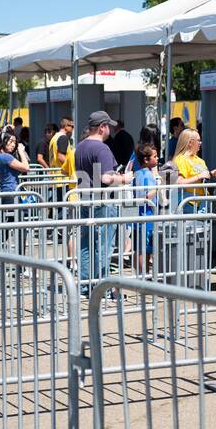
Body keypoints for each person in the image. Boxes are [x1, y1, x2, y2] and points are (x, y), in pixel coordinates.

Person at [76, 111, 132, 293]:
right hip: (103, 200)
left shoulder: (80, 146)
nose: (110, 129)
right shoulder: (102, 148)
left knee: (86, 244)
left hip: (85, 198)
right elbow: (107, 178)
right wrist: (125, 178)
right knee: (104, 245)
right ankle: (102, 288)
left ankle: (86, 285)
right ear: (102, 127)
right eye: (108, 126)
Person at [170, 126, 216, 212]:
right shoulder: (180, 159)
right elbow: (179, 182)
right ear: (190, 143)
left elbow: (202, 176)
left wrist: (211, 173)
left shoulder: (199, 160)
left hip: (203, 203)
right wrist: (198, 176)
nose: (200, 142)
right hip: (189, 203)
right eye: (198, 140)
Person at [130, 143, 160, 272]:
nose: (158, 158)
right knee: (142, 250)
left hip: (144, 218)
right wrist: (158, 187)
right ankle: (142, 276)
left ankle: (143, 275)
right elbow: (144, 196)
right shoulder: (144, 175)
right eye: (155, 156)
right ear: (146, 159)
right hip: (145, 219)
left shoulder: (141, 173)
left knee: (143, 249)